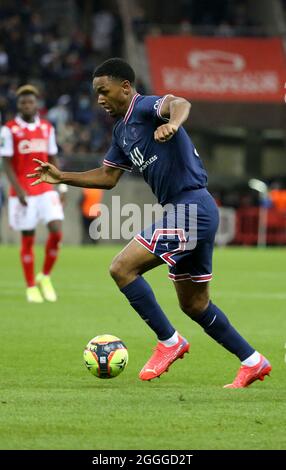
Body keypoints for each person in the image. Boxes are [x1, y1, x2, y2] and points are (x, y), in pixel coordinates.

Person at [28, 58, 271, 388]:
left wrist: (173, 124)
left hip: (192, 207)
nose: (99, 98)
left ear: (125, 88)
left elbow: (180, 103)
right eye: (96, 92)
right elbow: (108, 176)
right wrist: (62, 176)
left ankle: (169, 342)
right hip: (188, 210)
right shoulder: (121, 131)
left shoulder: (144, 108)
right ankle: (252, 361)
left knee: (121, 268)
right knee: (195, 304)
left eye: (104, 91)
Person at [0, 85, 64, 303]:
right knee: (28, 237)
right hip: (23, 191)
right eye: (23, 102)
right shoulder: (9, 129)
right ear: (18, 105)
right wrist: (17, 190)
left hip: (46, 188)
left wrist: (62, 185)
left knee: (56, 231)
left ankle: (44, 276)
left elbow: (53, 157)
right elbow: (6, 163)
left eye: (30, 101)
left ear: (36, 104)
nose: (27, 105)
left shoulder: (46, 128)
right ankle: (30, 287)